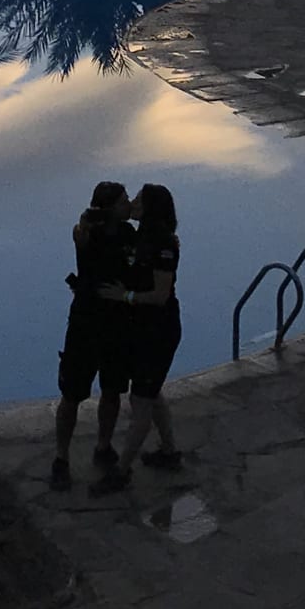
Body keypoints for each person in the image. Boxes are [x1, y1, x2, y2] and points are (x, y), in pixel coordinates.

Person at [92, 182, 183, 489]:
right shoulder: (141, 236)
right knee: (151, 392)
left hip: (159, 330)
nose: (132, 203)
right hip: (144, 329)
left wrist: (124, 296)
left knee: (140, 399)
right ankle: (169, 452)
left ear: (150, 208)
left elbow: (160, 295)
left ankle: (121, 471)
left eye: (138, 200)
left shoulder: (163, 243)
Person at [51, 180, 134, 490]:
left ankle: (103, 445)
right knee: (71, 394)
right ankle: (61, 458)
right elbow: (81, 235)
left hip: (117, 324)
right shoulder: (87, 232)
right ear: (109, 207)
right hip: (86, 325)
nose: (128, 204)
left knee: (112, 390)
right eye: (123, 201)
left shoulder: (128, 234)